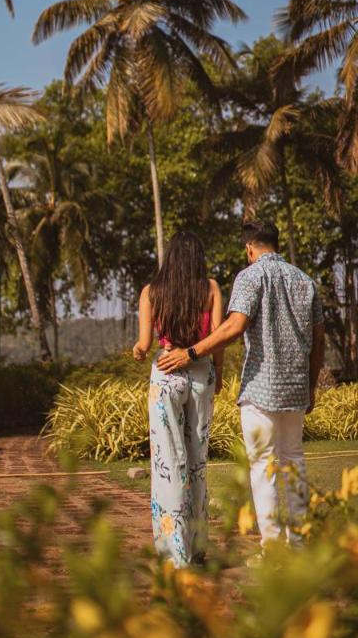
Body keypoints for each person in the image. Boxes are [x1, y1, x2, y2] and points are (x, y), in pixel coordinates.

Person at [158, 219, 325, 548]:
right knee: (293, 459)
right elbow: (318, 339)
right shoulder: (305, 281)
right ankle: (299, 541)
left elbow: (234, 327)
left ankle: (273, 547)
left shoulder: (250, 276)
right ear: (275, 243)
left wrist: (190, 353)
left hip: (261, 386)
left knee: (262, 465)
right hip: (295, 386)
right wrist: (311, 384)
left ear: (250, 248)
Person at [133, 230, 224, 566]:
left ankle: (175, 553)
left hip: (166, 373)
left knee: (169, 462)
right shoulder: (211, 288)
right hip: (200, 373)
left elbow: (144, 344)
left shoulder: (151, 292)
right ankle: (198, 546)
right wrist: (220, 375)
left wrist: (140, 351)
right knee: (197, 461)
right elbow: (217, 340)